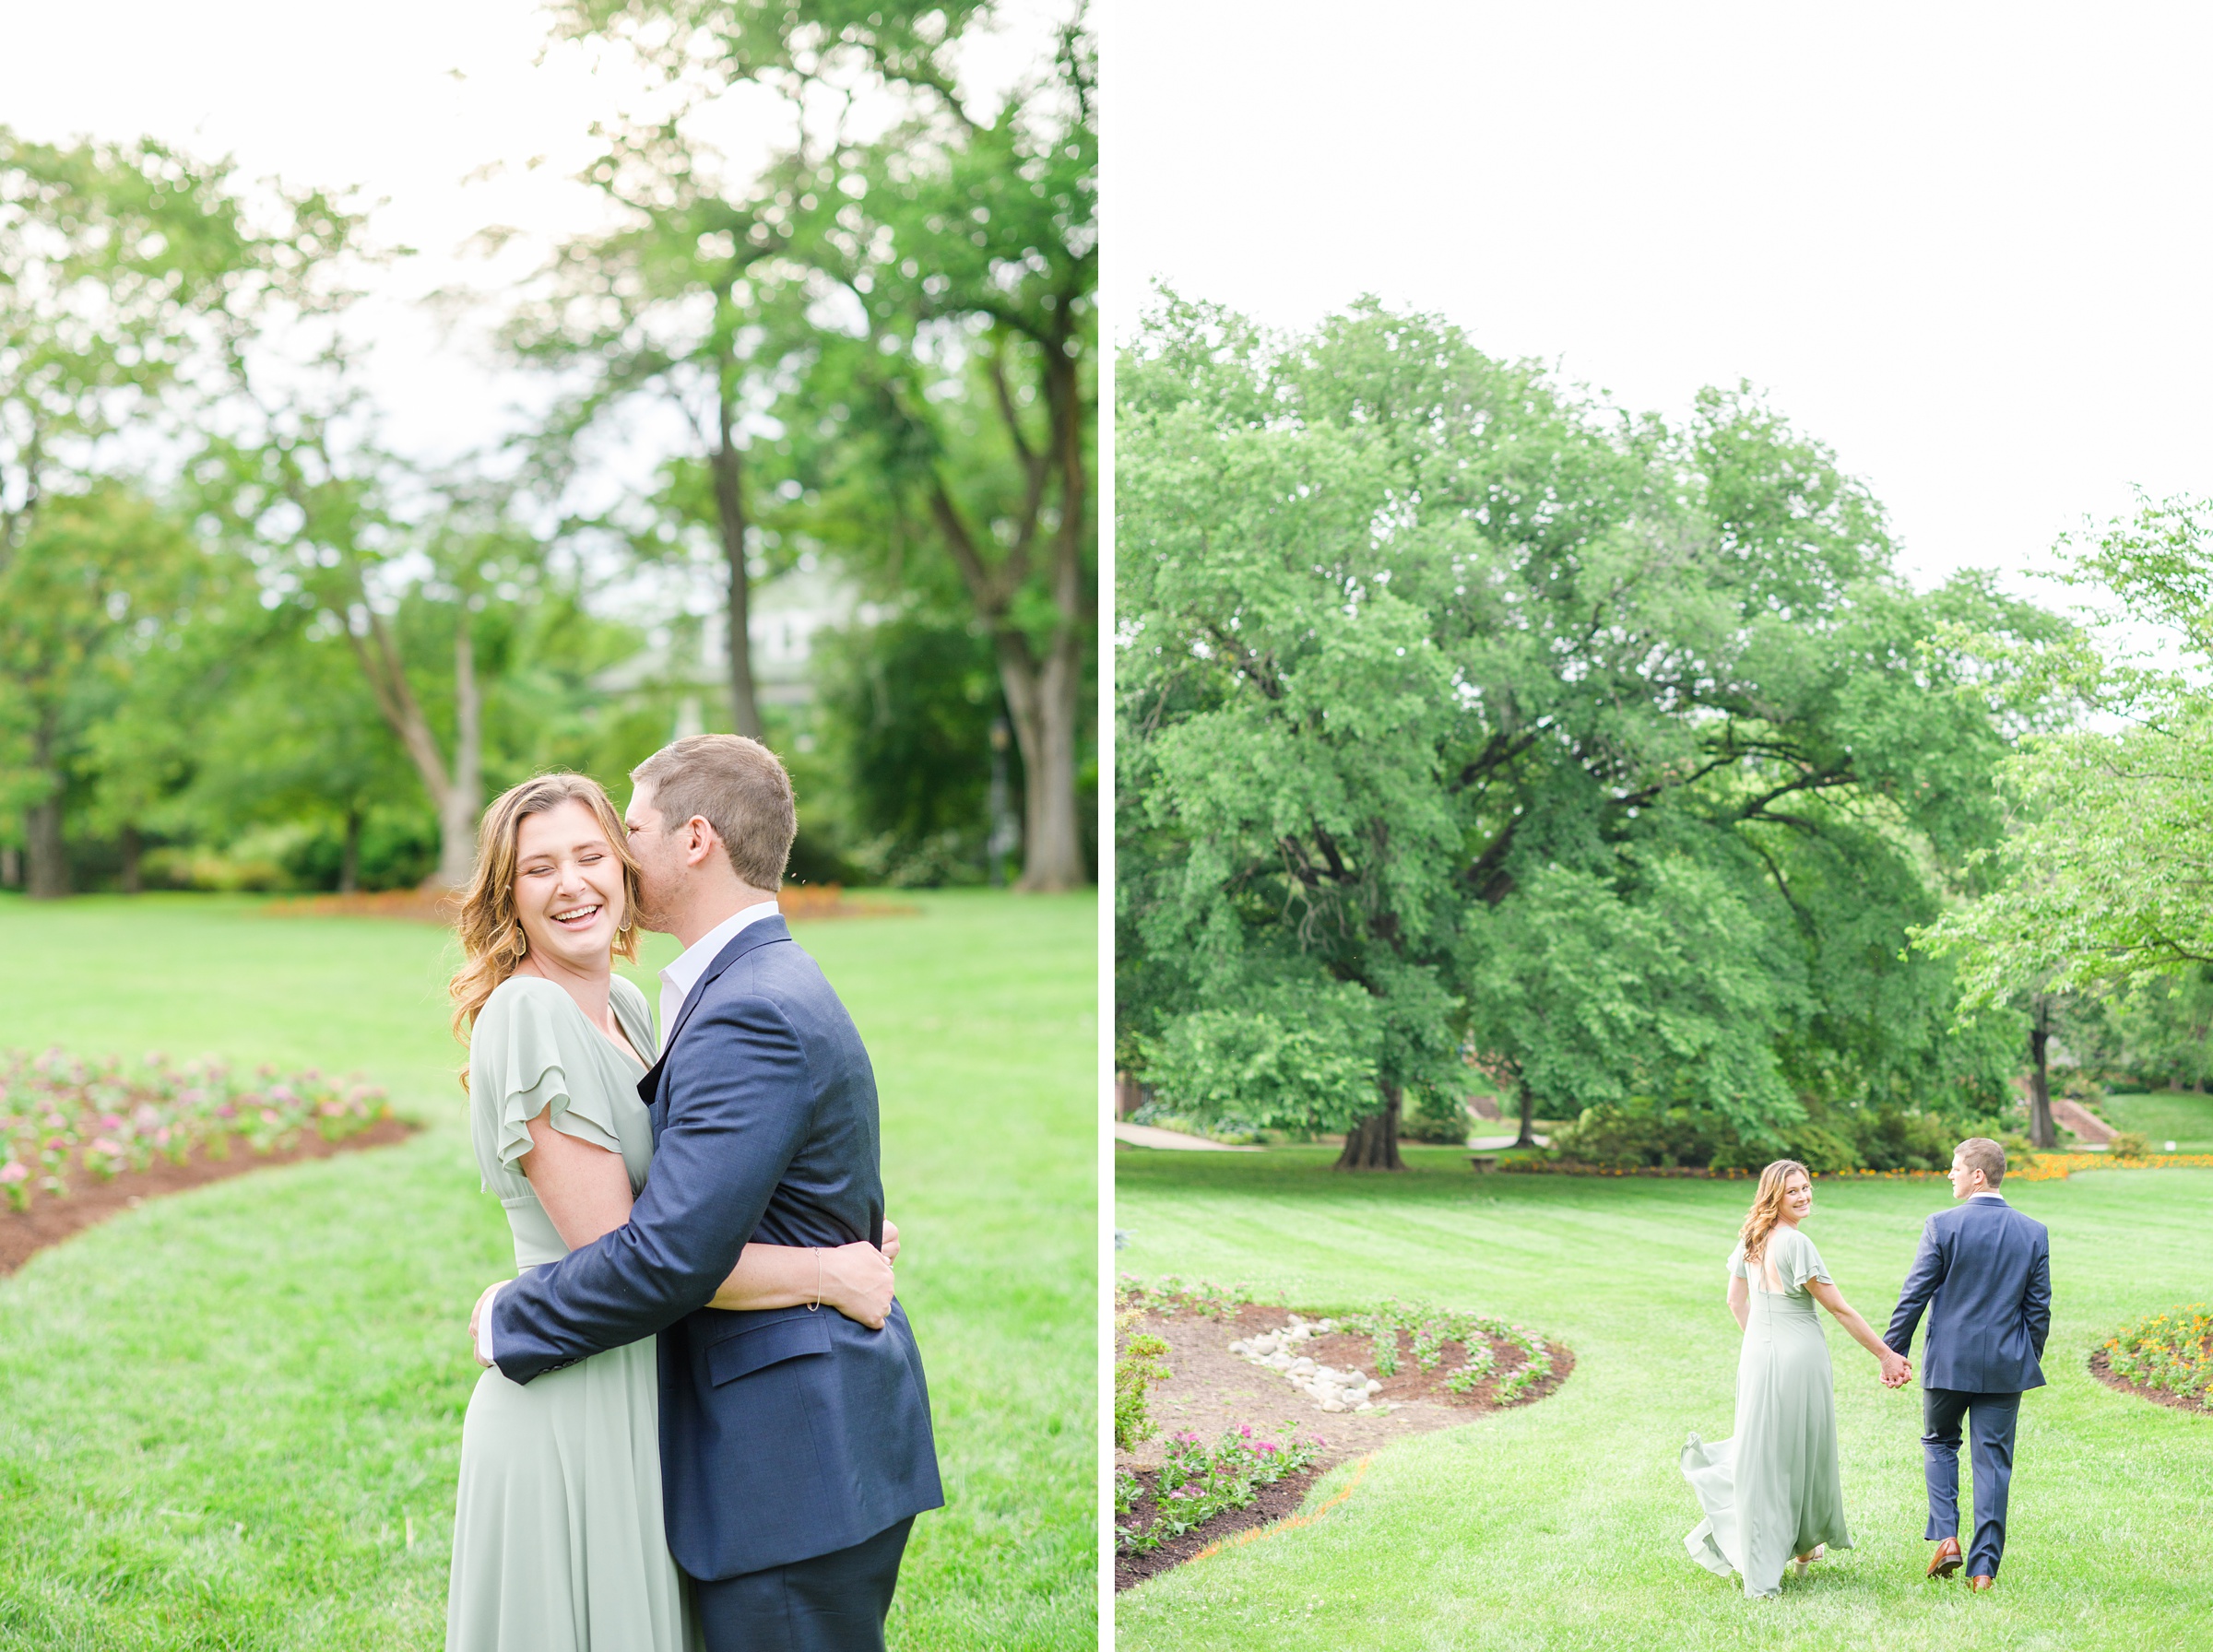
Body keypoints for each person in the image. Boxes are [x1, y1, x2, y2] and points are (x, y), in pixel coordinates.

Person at [473, 735, 943, 1652]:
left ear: (689, 841)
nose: (581, 878)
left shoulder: (680, 1002)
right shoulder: (570, 1007)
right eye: (540, 866)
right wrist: (828, 1263)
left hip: (763, 1437)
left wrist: (838, 1238)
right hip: (590, 1392)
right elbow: (656, 1245)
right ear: (509, 889)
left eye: (610, 840)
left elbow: (680, 1228)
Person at [1681, 1159, 1912, 1598]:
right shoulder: (1796, 1243)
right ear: (1775, 1196)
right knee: (1803, 1450)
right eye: (1793, 1191)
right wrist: (1886, 1355)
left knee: (1764, 1452)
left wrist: (1764, 1344)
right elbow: (1839, 1308)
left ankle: (1798, 1550)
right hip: (1800, 1357)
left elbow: (1736, 1301)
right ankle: (1802, 1548)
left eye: (1806, 1187)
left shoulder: (1751, 1236)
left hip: (1757, 1356)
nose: (1804, 1196)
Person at [1882, 1136, 2051, 1592]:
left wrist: (1893, 1351)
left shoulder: (1942, 1225)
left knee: (1939, 1442)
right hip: (2005, 1365)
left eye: (1955, 1167)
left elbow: (1914, 1294)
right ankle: (1983, 1573)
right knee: (1993, 1463)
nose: (1949, 1174)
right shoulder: (2033, 1232)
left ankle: (1947, 1537)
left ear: (1978, 1174)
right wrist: (2023, 1357)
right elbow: (2038, 1311)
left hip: (1949, 1363)